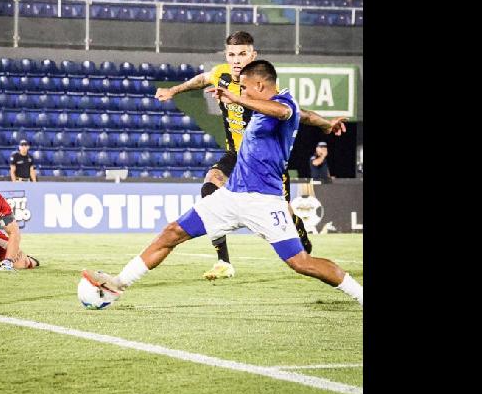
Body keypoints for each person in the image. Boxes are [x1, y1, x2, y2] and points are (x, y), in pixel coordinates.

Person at [83, 61, 362, 307]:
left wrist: (236, 99)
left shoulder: (283, 102)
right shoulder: (265, 108)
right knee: (172, 232)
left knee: (301, 262)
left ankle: (359, 295)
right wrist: (325, 124)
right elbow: (306, 116)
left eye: (245, 88)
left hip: (264, 201)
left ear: (260, 84)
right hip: (231, 197)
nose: (241, 92)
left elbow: (284, 112)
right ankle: (118, 283)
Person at [154, 32, 346, 279]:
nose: (236, 59)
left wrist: (325, 124)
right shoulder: (221, 74)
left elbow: (298, 113)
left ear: (253, 55)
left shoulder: (260, 87)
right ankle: (223, 262)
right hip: (235, 154)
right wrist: (174, 90)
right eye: (232, 54)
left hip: (264, 163)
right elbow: (202, 79)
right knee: (209, 185)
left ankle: (302, 243)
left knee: (286, 215)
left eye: (243, 54)